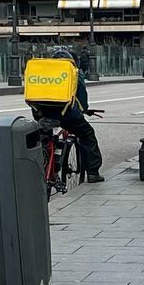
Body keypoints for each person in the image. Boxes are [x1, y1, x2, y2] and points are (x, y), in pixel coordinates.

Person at [30, 45, 104, 183]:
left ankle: (46, 163)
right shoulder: (74, 72)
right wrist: (83, 110)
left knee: (44, 135)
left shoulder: (44, 72)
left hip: (41, 112)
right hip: (66, 115)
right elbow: (81, 101)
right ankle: (93, 172)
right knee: (87, 134)